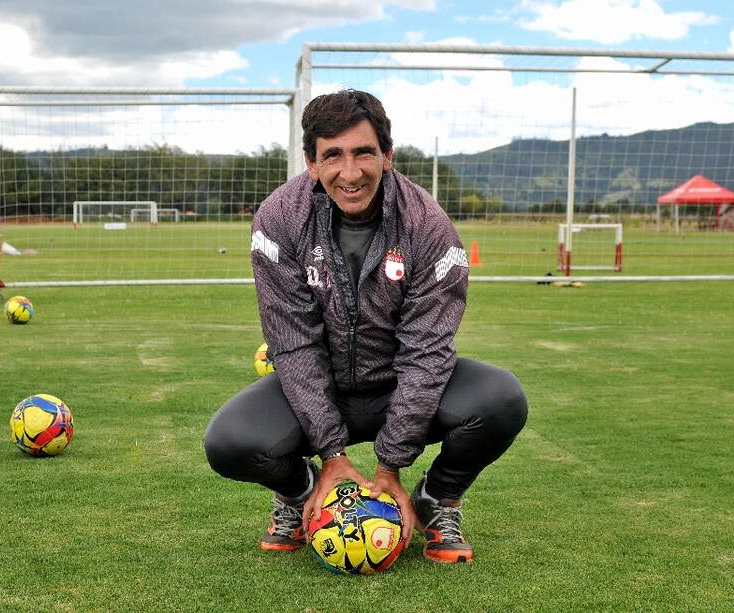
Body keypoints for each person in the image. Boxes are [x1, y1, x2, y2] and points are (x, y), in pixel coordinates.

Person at [204, 89, 528, 564]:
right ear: (311, 163)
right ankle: (305, 496)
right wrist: (332, 457)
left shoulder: (428, 226)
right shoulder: (278, 218)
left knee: (500, 399)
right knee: (229, 442)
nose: (350, 173)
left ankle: (436, 500)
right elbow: (293, 344)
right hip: (320, 386)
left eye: (364, 153)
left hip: (400, 385)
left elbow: (426, 351)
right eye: (332, 155)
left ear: (388, 156)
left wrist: (391, 465)